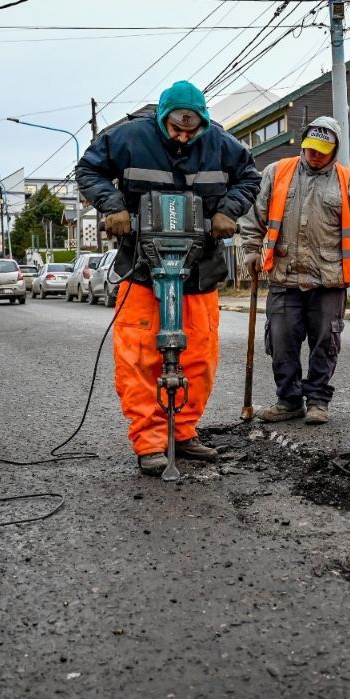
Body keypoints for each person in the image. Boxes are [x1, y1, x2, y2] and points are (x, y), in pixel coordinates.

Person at [76, 81, 261, 476]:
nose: (183, 137)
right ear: (162, 119)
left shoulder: (221, 144)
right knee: (138, 357)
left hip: (200, 269)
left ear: (203, 122)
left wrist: (227, 211)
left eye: (192, 130)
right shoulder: (128, 138)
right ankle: (149, 442)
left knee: (199, 356)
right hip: (142, 268)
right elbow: (88, 168)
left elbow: (250, 177)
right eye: (176, 128)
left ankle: (184, 431)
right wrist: (113, 206)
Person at [238, 116, 350, 425]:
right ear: (302, 145)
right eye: (310, 148)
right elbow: (254, 215)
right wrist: (251, 249)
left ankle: (317, 400)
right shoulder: (277, 172)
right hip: (284, 275)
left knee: (325, 344)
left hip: (329, 279)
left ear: (334, 152)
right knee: (282, 342)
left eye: (322, 151)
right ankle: (288, 401)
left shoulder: (348, 182)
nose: (314, 155)